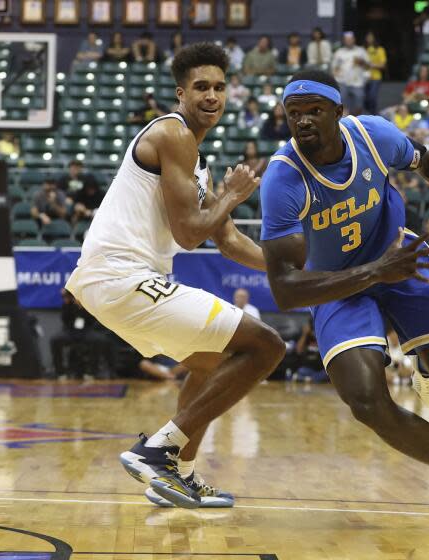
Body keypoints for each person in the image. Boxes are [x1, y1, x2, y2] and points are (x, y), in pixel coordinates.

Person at [260, 69, 429, 533]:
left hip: (401, 260)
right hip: (338, 285)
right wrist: (375, 272)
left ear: (339, 111)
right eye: (293, 114)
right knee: (366, 402)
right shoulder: (282, 179)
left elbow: (428, 160)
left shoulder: (373, 135)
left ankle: (427, 365)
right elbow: (285, 288)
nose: (303, 122)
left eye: (314, 110)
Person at [65, 43, 286, 511]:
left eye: (220, 87)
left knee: (212, 365)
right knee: (266, 345)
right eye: (201, 87)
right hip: (119, 275)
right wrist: (230, 196)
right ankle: (157, 450)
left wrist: (294, 270)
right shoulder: (172, 133)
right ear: (181, 92)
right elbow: (190, 234)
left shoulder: (195, 162)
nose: (212, 96)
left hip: (120, 282)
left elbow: (228, 242)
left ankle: (179, 472)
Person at [50, 289, 114, 380]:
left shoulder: (88, 304)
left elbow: (92, 321)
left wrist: (81, 308)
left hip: (86, 331)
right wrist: (67, 303)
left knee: (99, 340)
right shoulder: (67, 304)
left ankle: (91, 372)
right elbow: (65, 320)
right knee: (55, 340)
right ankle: (60, 372)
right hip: (70, 331)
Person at [331, 31, 369, 115]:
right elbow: (334, 67)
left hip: (357, 82)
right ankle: (345, 123)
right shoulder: (339, 52)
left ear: (354, 40)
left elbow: (368, 66)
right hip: (342, 81)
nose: (348, 41)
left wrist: (362, 62)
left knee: (359, 104)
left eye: (350, 39)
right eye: (346, 40)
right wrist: (336, 74)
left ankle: (357, 120)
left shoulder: (361, 51)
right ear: (344, 41)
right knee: (341, 103)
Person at [364, 31, 387, 115]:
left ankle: (373, 114)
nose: (369, 39)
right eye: (368, 37)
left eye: (371, 37)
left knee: (372, 97)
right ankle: (369, 113)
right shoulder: (363, 49)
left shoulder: (380, 49)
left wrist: (371, 65)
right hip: (364, 78)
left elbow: (383, 65)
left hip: (376, 77)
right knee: (365, 99)